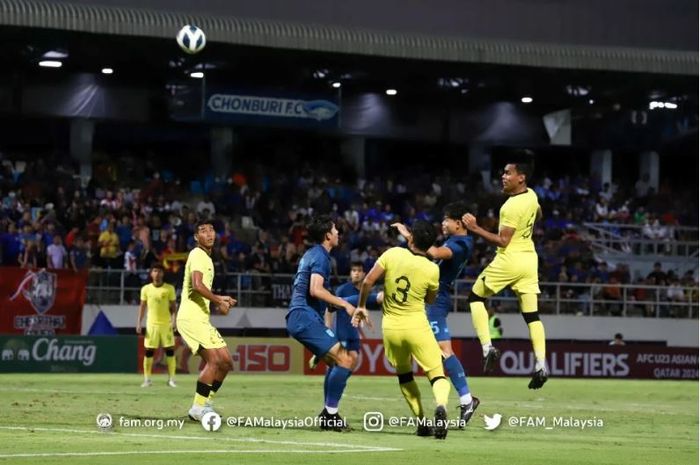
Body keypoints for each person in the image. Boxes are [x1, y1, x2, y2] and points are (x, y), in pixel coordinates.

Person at [353, 220, 451, 439]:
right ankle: (442, 406)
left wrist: (361, 306)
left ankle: (422, 422)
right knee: (437, 375)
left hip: (392, 328)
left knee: (405, 376)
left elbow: (368, 281)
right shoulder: (432, 269)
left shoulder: (393, 254)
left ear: (412, 239)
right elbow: (431, 299)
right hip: (417, 326)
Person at [462, 157, 548, 389]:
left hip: (509, 260)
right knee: (532, 315)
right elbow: (538, 214)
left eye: (508, 173)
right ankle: (541, 363)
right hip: (530, 260)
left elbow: (502, 240)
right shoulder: (531, 195)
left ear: (521, 177)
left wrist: (475, 228)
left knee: (475, 297)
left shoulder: (510, 207)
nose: (503, 176)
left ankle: (487, 347)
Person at [392, 201, 479, 428]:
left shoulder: (462, 244)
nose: (443, 224)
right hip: (430, 297)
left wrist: (411, 236)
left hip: (436, 300)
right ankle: (464, 399)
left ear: (458, 223)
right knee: (438, 351)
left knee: (443, 350)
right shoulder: (456, 239)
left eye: (446, 220)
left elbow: (435, 252)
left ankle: (466, 399)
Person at [286, 215, 357, 431]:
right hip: (303, 316)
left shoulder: (312, 254)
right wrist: (345, 304)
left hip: (304, 316)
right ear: (328, 235)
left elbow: (318, 295)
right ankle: (330, 415)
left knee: (338, 362)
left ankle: (329, 413)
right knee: (346, 360)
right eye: (336, 230)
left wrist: (334, 308)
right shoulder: (321, 256)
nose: (338, 234)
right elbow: (315, 290)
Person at [176, 220, 237, 421]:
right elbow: (197, 285)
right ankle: (197, 408)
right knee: (214, 360)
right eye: (203, 231)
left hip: (201, 318)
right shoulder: (197, 254)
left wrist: (221, 299)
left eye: (211, 229)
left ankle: (206, 402)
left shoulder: (207, 258)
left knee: (226, 362)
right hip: (190, 317)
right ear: (196, 237)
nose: (209, 233)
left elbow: (203, 290)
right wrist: (219, 299)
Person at [308, 262, 383, 408]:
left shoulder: (365, 290)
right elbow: (330, 308)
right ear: (350, 273)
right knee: (341, 363)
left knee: (352, 362)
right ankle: (329, 402)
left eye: (359, 271)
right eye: (353, 270)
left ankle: (335, 386)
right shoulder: (343, 290)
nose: (356, 273)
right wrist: (328, 330)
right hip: (341, 330)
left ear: (363, 274)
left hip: (353, 332)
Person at [136, 264, 178, 388]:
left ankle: (172, 380)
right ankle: (147, 379)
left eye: (159, 271)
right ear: (151, 274)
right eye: (155, 271)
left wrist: (174, 321)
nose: (157, 273)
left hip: (166, 325)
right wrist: (139, 322)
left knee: (170, 352)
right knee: (149, 352)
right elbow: (142, 307)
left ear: (163, 274)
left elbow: (174, 308)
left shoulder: (169, 289)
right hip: (151, 325)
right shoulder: (146, 289)